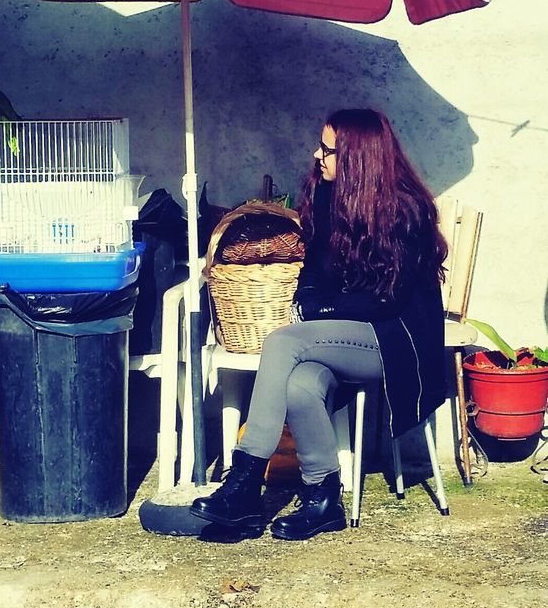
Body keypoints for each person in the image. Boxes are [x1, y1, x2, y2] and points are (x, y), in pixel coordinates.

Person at [191, 108, 448, 540]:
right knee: (301, 384)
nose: (317, 155)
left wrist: (322, 311)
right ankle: (323, 499)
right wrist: (318, 305)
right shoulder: (329, 200)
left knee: (283, 342)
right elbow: (311, 282)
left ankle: (245, 485)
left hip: (396, 342)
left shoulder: (408, 211)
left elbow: (384, 304)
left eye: (327, 149)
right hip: (346, 335)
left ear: (356, 157)